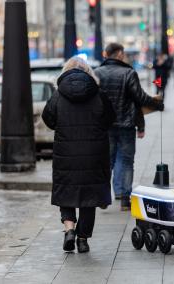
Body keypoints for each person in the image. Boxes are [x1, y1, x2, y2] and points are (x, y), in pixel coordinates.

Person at [42, 56, 115, 253]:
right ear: (89, 72)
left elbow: (47, 118)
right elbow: (110, 118)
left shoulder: (58, 95)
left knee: (66, 192)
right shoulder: (99, 95)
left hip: (66, 153)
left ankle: (69, 230)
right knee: (88, 198)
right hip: (94, 155)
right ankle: (82, 239)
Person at [94, 42, 164, 211]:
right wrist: (156, 103)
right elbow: (139, 98)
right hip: (126, 125)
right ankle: (125, 200)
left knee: (106, 162)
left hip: (105, 126)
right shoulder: (128, 73)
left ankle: (103, 198)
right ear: (119, 54)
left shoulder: (97, 73)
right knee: (126, 162)